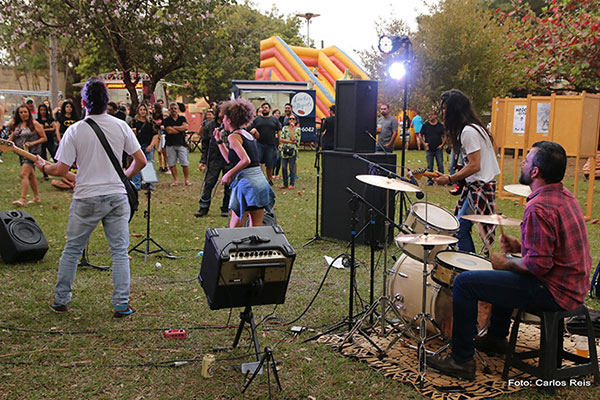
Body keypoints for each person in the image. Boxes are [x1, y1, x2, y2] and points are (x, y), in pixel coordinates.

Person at [427, 141, 592, 381]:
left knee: (465, 282)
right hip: (573, 286)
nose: (523, 163)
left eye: (527, 160)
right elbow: (549, 251)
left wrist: (504, 263)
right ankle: (495, 338)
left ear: (535, 172)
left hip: (555, 292)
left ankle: (460, 360)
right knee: (507, 271)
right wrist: (519, 247)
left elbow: (538, 266)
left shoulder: (539, 206)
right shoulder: (565, 196)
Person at [34, 77, 146, 318]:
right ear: (107, 102)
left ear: (83, 102)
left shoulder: (74, 130)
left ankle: (61, 300)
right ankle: (121, 304)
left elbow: (61, 170)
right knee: (119, 252)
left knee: (72, 250)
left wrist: (43, 167)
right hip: (117, 196)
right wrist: (124, 177)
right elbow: (141, 161)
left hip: (86, 197)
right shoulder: (121, 126)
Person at [434, 89, 500, 253]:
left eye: (445, 109)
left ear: (454, 111)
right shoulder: (474, 128)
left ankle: (468, 265)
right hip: (478, 185)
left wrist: (450, 178)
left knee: (460, 228)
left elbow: (475, 165)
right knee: (462, 225)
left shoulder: (468, 131)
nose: (442, 113)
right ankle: (469, 263)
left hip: (480, 187)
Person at [214, 98, 275, 227]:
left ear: (229, 120)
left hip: (248, 184)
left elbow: (245, 160)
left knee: (235, 230)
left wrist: (228, 174)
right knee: (256, 229)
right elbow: (231, 160)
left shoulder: (233, 136)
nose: (222, 121)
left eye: (224, 118)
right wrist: (219, 142)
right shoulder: (246, 135)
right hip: (260, 183)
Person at [195, 104, 232, 218]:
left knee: (229, 185)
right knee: (209, 183)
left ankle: (226, 208)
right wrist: (203, 160)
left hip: (229, 159)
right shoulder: (209, 126)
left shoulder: (232, 125)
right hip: (214, 158)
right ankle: (203, 207)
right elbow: (205, 145)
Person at [9, 105, 47, 206]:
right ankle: (36, 197)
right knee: (31, 175)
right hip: (21, 153)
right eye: (21, 112)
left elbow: (44, 138)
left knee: (23, 174)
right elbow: (11, 139)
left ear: (29, 113)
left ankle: (23, 199)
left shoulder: (35, 124)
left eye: (25, 112)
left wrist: (32, 143)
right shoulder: (17, 125)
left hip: (32, 153)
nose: (23, 114)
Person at [248, 102, 281, 185]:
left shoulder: (274, 119)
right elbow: (251, 129)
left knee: (270, 163)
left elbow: (279, 130)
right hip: (259, 144)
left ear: (269, 109)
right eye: (263, 107)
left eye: (266, 107)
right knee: (257, 162)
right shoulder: (257, 119)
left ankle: (269, 179)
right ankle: (258, 179)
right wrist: (254, 131)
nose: (264, 109)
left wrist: (280, 142)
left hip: (271, 144)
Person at [131, 104, 159, 190]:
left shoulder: (151, 122)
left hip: (148, 145)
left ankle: (149, 184)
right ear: (138, 111)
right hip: (137, 147)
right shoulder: (133, 122)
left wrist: (151, 146)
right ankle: (136, 184)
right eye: (141, 109)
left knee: (149, 164)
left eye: (144, 110)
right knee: (136, 164)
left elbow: (155, 135)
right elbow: (131, 134)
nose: (142, 111)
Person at [163, 102, 190, 186]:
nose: (173, 110)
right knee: (172, 163)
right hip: (170, 144)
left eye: (175, 108)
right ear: (169, 110)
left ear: (178, 109)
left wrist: (174, 127)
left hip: (181, 143)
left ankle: (186, 180)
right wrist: (180, 128)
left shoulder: (182, 118)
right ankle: (176, 180)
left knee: (184, 163)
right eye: (172, 109)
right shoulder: (167, 120)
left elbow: (185, 127)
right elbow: (169, 131)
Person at [421, 110, 446, 185]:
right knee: (429, 166)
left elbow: (445, 135)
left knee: (440, 165)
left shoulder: (440, 126)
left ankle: (442, 181)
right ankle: (430, 181)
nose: (430, 116)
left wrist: (442, 145)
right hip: (429, 149)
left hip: (438, 149)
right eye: (429, 115)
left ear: (436, 116)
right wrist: (424, 144)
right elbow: (420, 135)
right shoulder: (425, 125)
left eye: (431, 115)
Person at [36, 104, 57, 179]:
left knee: (54, 153)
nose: (43, 111)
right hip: (42, 140)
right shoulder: (37, 120)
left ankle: (61, 170)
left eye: (44, 110)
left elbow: (54, 128)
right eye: (41, 110)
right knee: (43, 156)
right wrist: (49, 129)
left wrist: (43, 129)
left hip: (50, 139)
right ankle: (45, 174)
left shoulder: (50, 119)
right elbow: (37, 130)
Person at [278, 115, 299, 189]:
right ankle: (285, 183)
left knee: (291, 167)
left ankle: (292, 184)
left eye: (293, 119)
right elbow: (281, 139)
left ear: (296, 121)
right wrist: (290, 141)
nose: (291, 120)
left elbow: (296, 141)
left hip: (292, 151)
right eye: (290, 119)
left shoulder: (298, 130)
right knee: (283, 167)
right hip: (284, 150)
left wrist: (291, 130)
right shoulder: (284, 128)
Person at [152, 102, 169, 174]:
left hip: (162, 134)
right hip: (156, 134)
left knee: (164, 150)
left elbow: (163, 126)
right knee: (158, 150)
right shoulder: (152, 116)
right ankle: (161, 165)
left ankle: (166, 165)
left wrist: (159, 126)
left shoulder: (162, 116)